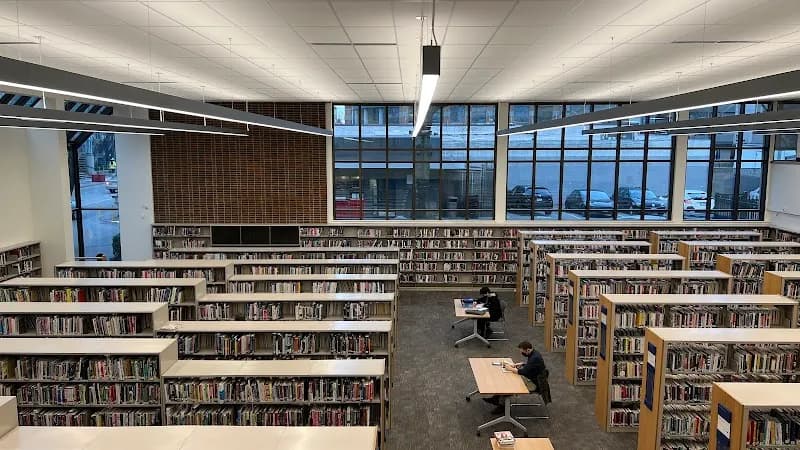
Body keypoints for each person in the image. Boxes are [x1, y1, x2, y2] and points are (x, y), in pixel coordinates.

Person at [484, 341, 548, 414]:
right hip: (532, 377)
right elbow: (532, 366)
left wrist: (510, 368)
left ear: (528, 350)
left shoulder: (535, 358)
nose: (522, 353)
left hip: (534, 383)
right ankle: (496, 399)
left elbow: (523, 372)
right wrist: (522, 364)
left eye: (522, 351)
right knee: (508, 380)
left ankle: (502, 406)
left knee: (510, 385)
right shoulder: (534, 353)